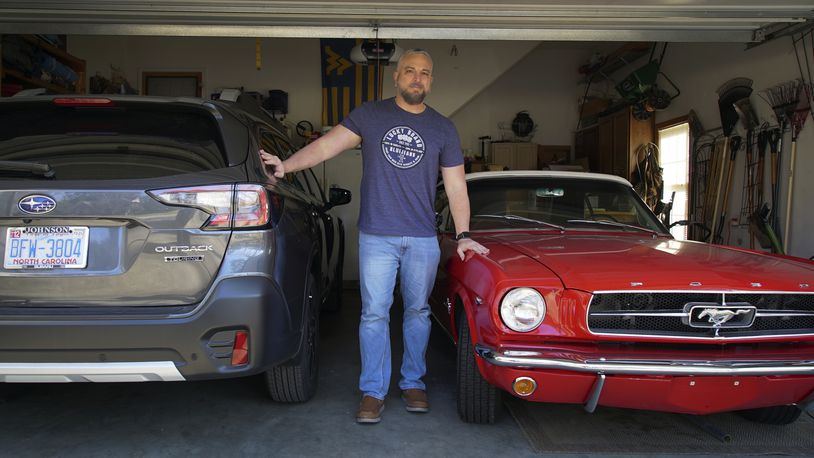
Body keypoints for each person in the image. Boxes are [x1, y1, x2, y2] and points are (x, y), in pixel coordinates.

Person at [260, 48, 489, 424]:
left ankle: (413, 382)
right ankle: (373, 391)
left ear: (431, 81)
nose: (417, 78)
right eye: (411, 71)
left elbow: (456, 186)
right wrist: (286, 165)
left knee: (417, 313)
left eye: (425, 73)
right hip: (377, 236)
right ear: (397, 77)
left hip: (421, 238)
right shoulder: (370, 115)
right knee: (373, 316)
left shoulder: (443, 128)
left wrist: (463, 234)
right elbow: (325, 146)